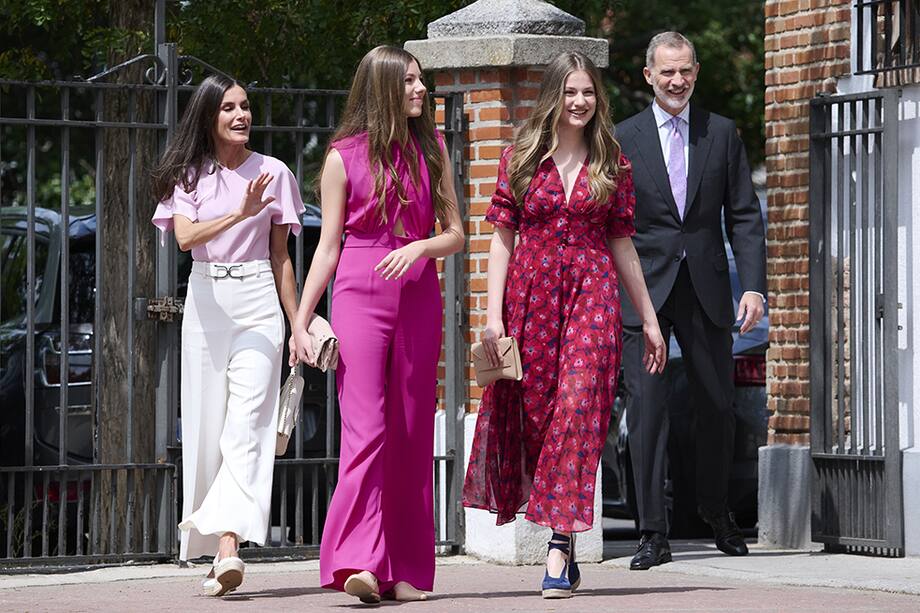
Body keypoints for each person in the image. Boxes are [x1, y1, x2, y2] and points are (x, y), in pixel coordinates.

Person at [462, 51, 666, 599]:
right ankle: (566, 543)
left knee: (577, 411)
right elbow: (501, 238)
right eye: (571, 92)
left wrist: (648, 318)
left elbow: (622, 242)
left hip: (592, 298)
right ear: (554, 95)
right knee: (537, 418)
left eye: (589, 93)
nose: (580, 102)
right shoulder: (520, 158)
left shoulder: (613, 164)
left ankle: (557, 545)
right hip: (531, 299)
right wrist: (491, 312)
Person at [289, 45, 464, 604]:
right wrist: (300, 320)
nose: (420, 90)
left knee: (412, 431)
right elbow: (327, 246)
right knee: (366, 431)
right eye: (410, 82)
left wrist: (419, 249)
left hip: (417, 295)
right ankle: (361, 561)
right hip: (358, 293)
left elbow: (457, 233)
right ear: (384, 87)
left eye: (422, 82)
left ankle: (408, 570)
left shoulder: (433, 147)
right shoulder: (343, 156)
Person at [616, 31, 767, 570]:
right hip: (644, 293)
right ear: (649, 76)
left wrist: (751, 285)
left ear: (696, 72)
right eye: (667, 72)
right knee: (649, 411)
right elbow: (611, 224)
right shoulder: (622, 137)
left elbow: (744, 214)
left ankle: (716, 512)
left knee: (717, 409)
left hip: (706, 290)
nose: (677, 80)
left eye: (685, 71)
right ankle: (652, 532)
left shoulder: (721, 133)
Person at [150, 75, 305, 595]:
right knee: (207, 427)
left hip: (260, 301)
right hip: (206, 301)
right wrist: (239, 212)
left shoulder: (275, 173)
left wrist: (298, 322)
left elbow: (282, 257)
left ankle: (228, 547)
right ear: (209, 117)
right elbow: (186, 237)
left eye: (246, 106)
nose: (242, 115)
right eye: (229, 108)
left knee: (247, 424)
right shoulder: (188, 176)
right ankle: (217, 550)